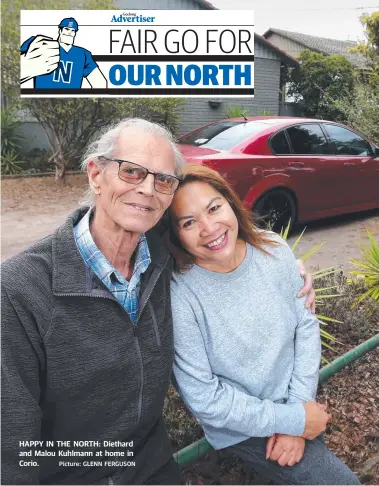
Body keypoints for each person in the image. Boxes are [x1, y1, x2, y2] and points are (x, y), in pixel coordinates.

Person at [2, 118, 314, 485]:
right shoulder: (20, 289)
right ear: (95, 175)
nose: (149, 189)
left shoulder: (164, 257)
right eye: (132, 172)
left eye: (164, 179)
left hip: (154, 468)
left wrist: (288, 268)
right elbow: (11, 442)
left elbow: (223, 238)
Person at [168, 164, 360, 485]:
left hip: (296, 399)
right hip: (242, 426)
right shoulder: (180, 295)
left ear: (230, 202)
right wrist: (294, 421)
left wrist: (298, 410)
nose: (208, 227)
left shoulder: (271, 248)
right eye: (189, 222)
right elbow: (205, 399)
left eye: (214, 208)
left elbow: (306, 325)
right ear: (174, 234)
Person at [20, 17, 107, 88]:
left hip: (70, 104)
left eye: (73, 30)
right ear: (60, 31)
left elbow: (100, 83)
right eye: (67, 29)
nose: (69, 33)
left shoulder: (83, 54)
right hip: (42, 102)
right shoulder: (42, 44)